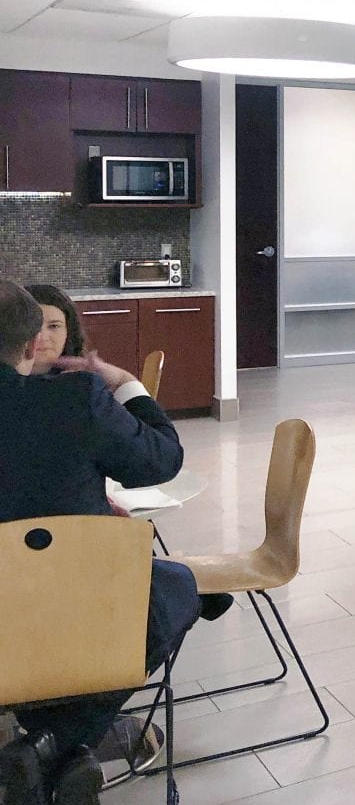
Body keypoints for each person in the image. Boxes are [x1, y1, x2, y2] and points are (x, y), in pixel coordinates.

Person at [0, 280, 202, 805]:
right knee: (178, 585)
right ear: (27, 347)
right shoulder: (77, 398)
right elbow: (162, 460)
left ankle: (42, 742)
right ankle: (60, 742)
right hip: (69, 601)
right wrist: (127, 382)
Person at [24, 284, 85, 374]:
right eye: (32, 326)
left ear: (69, 331)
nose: (42, 337)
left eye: (54, 326)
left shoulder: (87, 381)